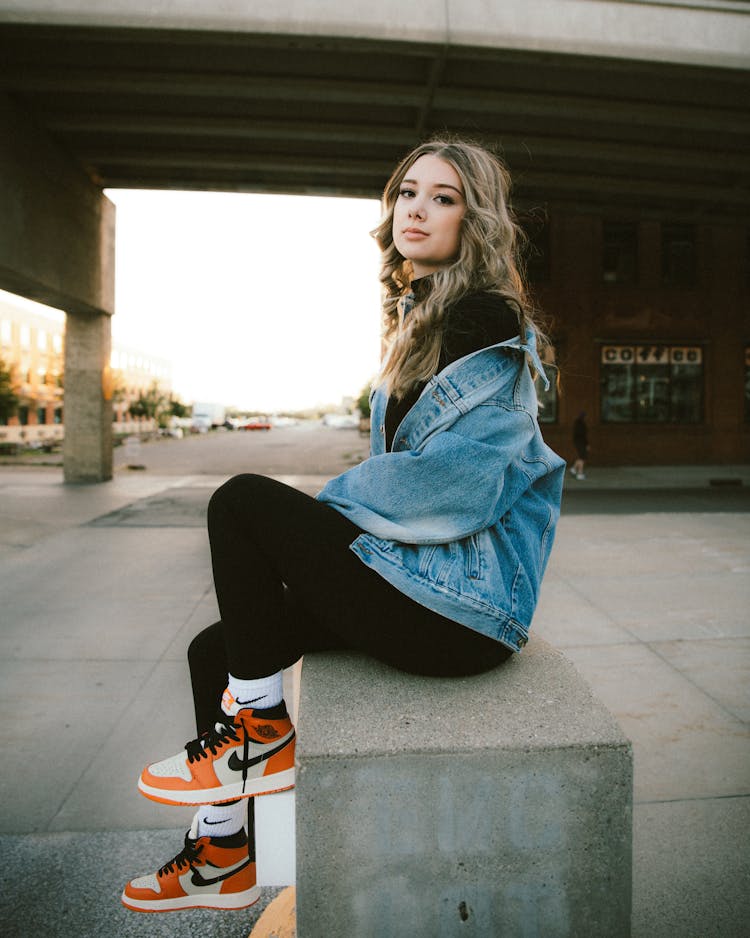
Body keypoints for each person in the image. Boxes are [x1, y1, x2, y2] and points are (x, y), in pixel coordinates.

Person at [121, 138, 566, 913]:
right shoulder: (423, 315)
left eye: (443, 197)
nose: (416, 209)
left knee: (243, 502)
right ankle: (224, 849)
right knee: (218, 651)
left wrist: (315, 525)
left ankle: (258, 735)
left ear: (476, 220)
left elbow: (453, 485)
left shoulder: (483, 320)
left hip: (461, 611)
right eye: (407, 193)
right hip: (418, 585)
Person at [571, 411, 589, 479]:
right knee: (582, 458)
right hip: (582, 443)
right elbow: (583, 435)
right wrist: (587, 444)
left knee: (581, 457)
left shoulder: (576, 423)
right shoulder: (582, 424)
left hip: (577, 442)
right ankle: (579, 474)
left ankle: (574, 469)